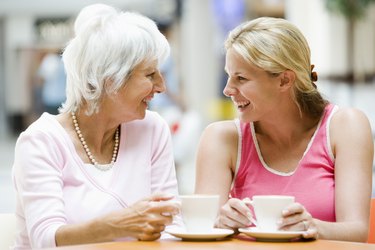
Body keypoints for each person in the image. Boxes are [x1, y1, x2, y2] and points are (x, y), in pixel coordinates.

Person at [12, 4, 181, 249]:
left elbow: (172, 225)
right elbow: (46, 239)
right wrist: (117, 225)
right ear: (111, 79)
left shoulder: (152, 129)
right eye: (150, 74)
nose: (161, 86)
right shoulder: (41, 140)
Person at [195, 17, 374, 242]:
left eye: (240, 78)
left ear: (284, 80)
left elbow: (357, 232)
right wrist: (219, 223)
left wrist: (313, 227)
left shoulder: (346, 127)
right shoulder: (222, 139)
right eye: (230, 76)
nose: (228, 90)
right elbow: (201, 232)